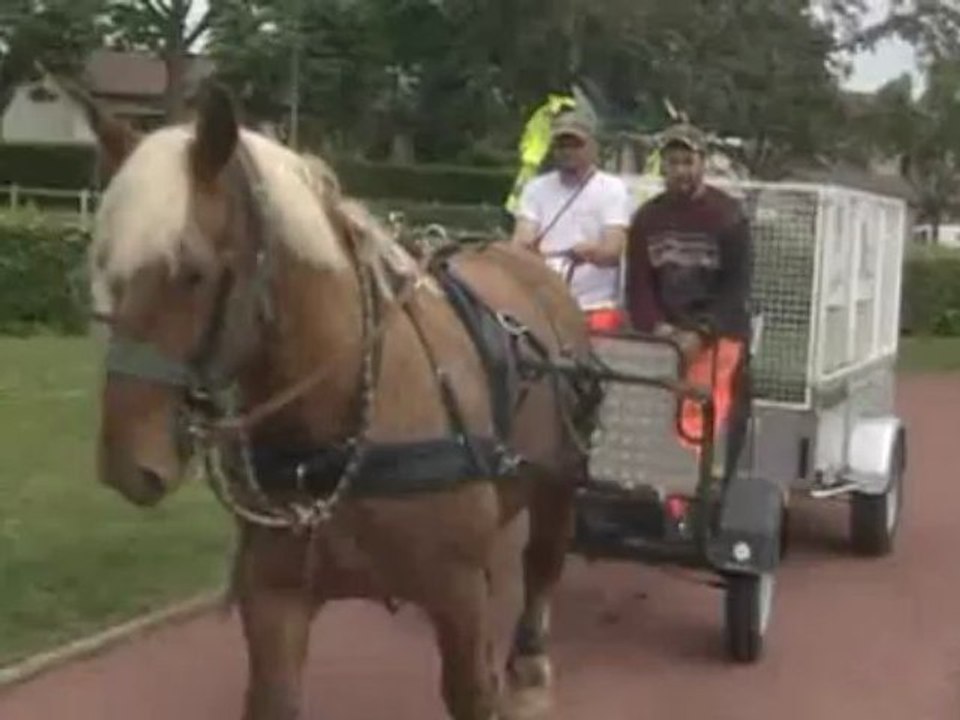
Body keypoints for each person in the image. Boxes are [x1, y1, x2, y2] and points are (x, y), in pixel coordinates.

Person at [625, 122, 753, 464]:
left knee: (697, 420)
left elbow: (736, 289)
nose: (680, 170)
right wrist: (658, 327)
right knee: (646, 414)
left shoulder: (728, 216)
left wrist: (701, 332)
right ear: (663, 167)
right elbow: (638, 285)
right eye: (673, 162)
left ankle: (690, 490)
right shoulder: (646, 218)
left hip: (717, 336)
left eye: (688, 161)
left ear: (702, 164)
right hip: (664, 334)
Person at [510, 108, 633, 332]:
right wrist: (528, 251)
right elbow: (521, 241)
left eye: (575, 145)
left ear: (593, 147)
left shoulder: (612, 189)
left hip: (595, 306)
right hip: (545, 304)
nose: (567, 152)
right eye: (561, 146)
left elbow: (613, 249)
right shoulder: (535, 189)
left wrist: (590, 252)